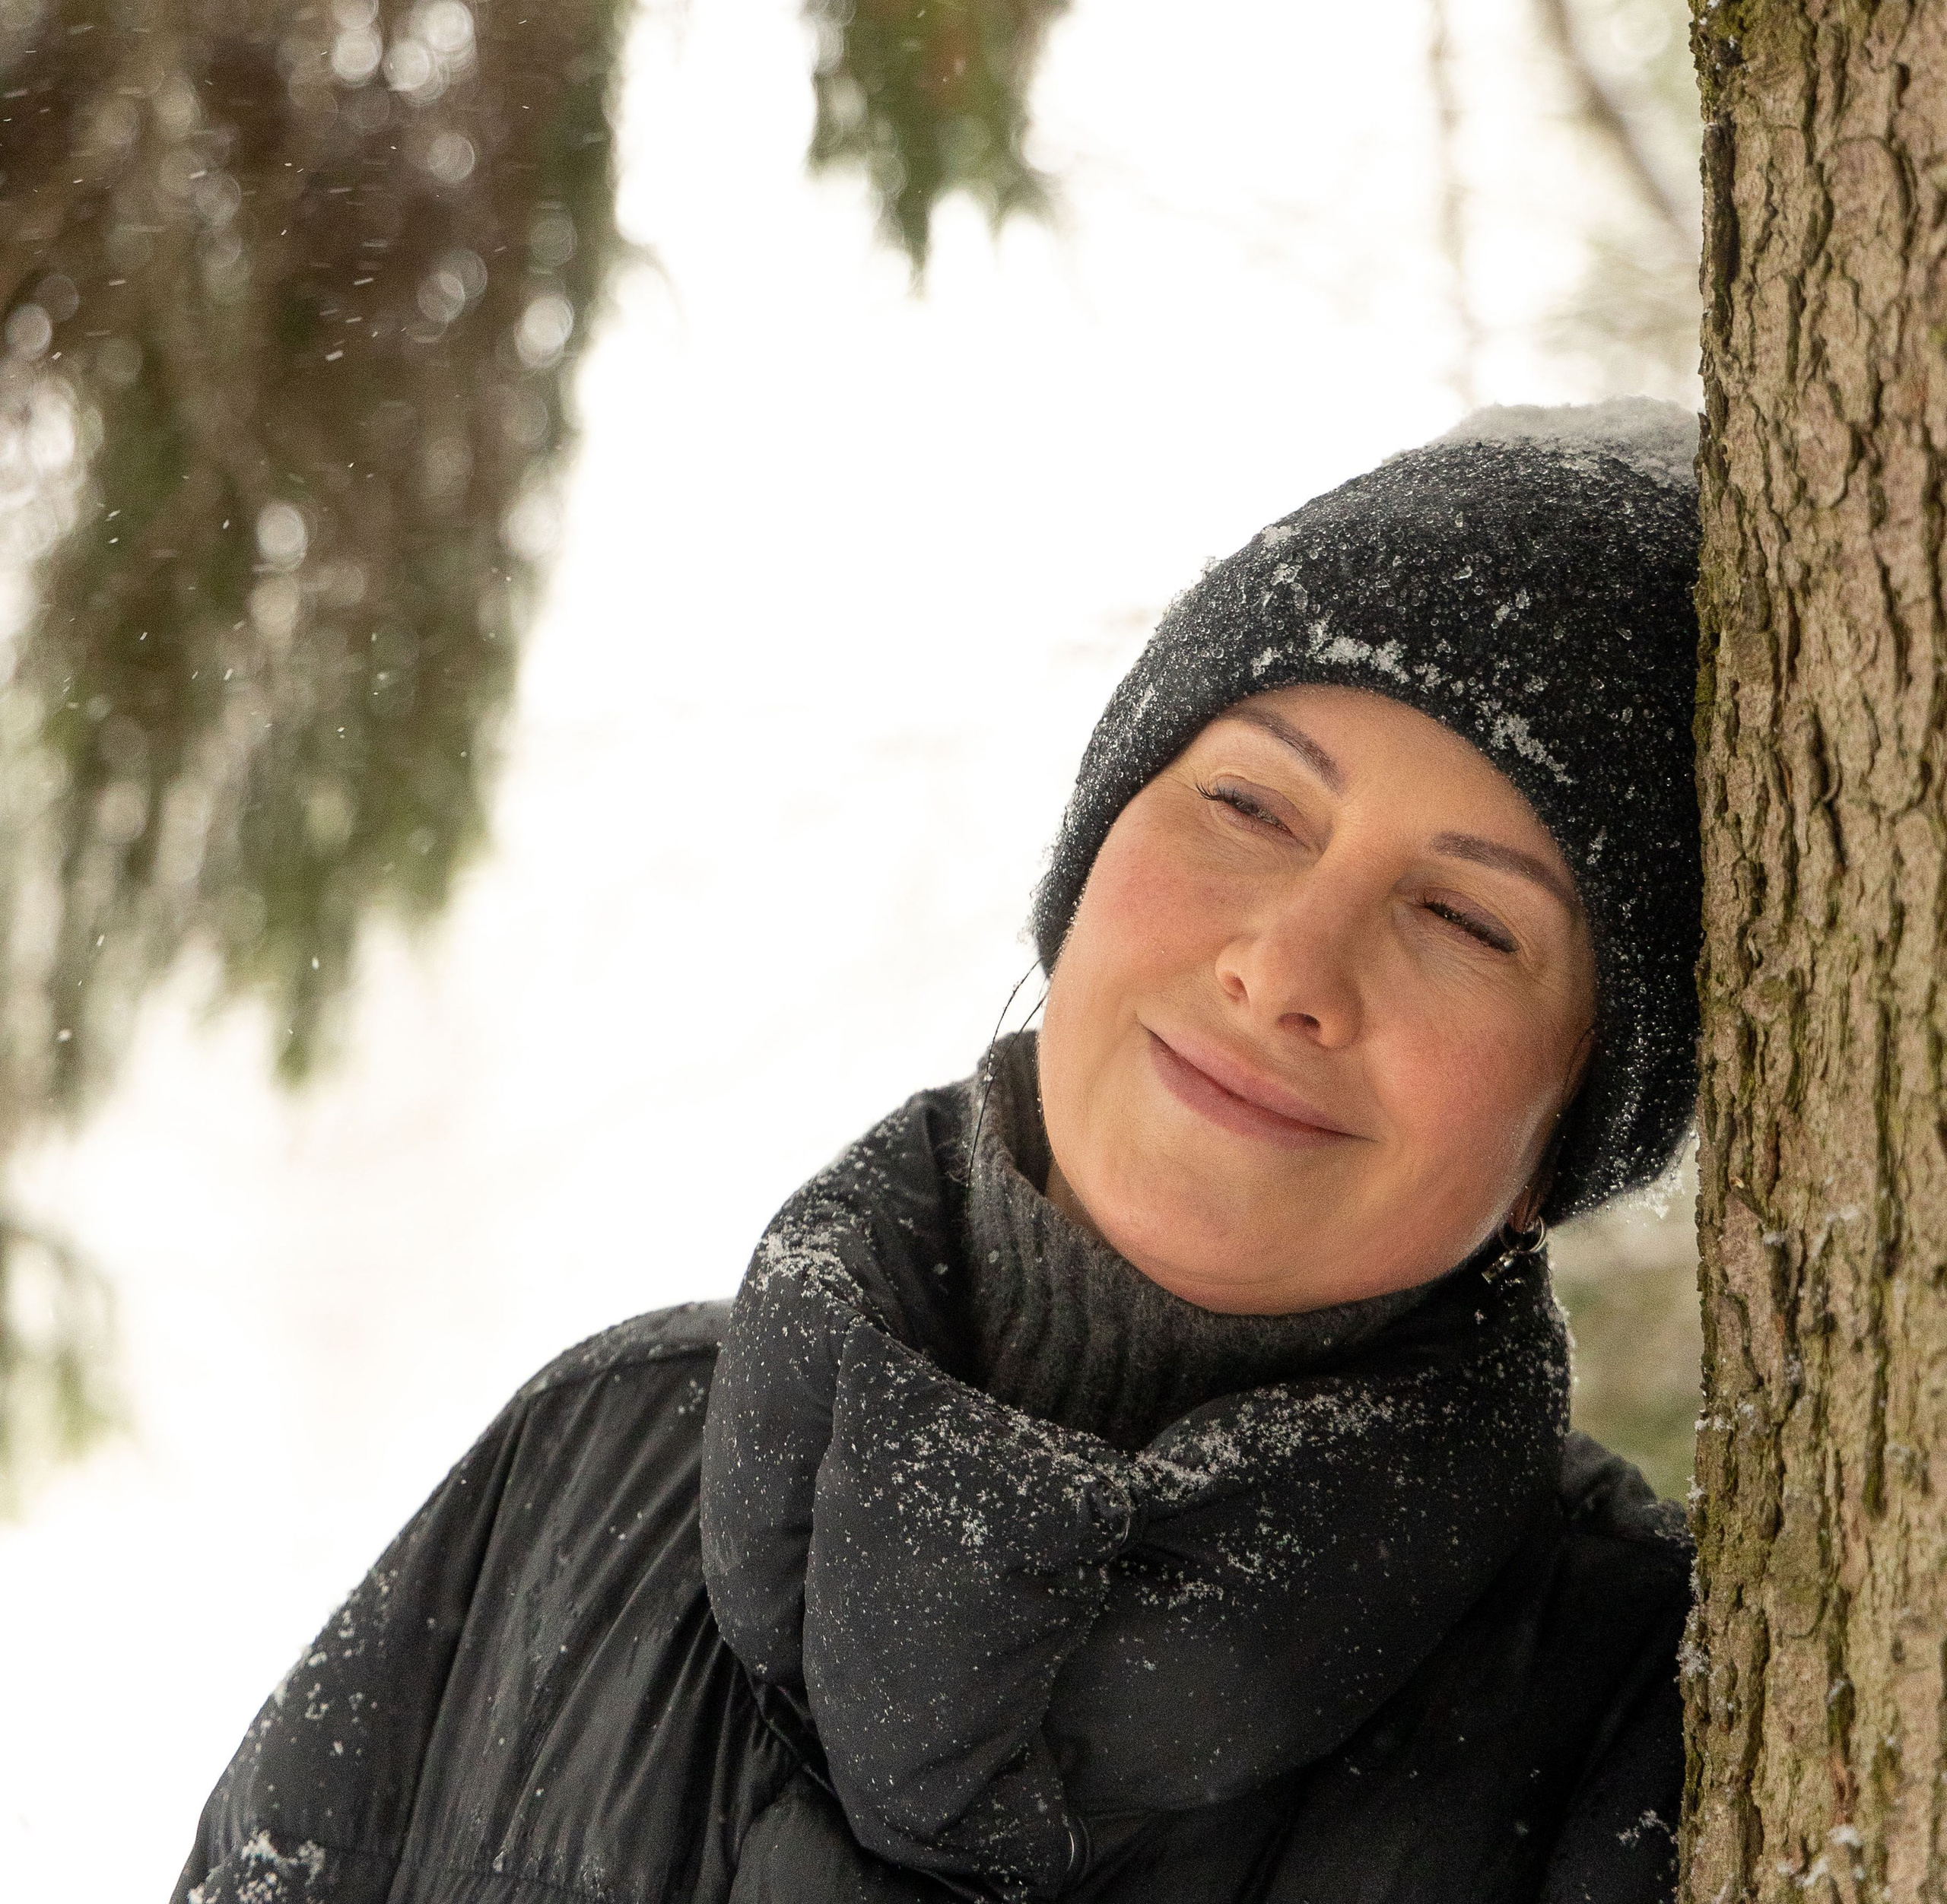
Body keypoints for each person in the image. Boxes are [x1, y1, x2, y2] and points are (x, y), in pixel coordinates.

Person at [173, 401, 1701, 1904]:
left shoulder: (1648, 1721)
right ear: (1086, 871)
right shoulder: (591, 1467)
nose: (1284, 968)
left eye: (1467, 920)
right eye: (1249, 803)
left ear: (1567, 1136)